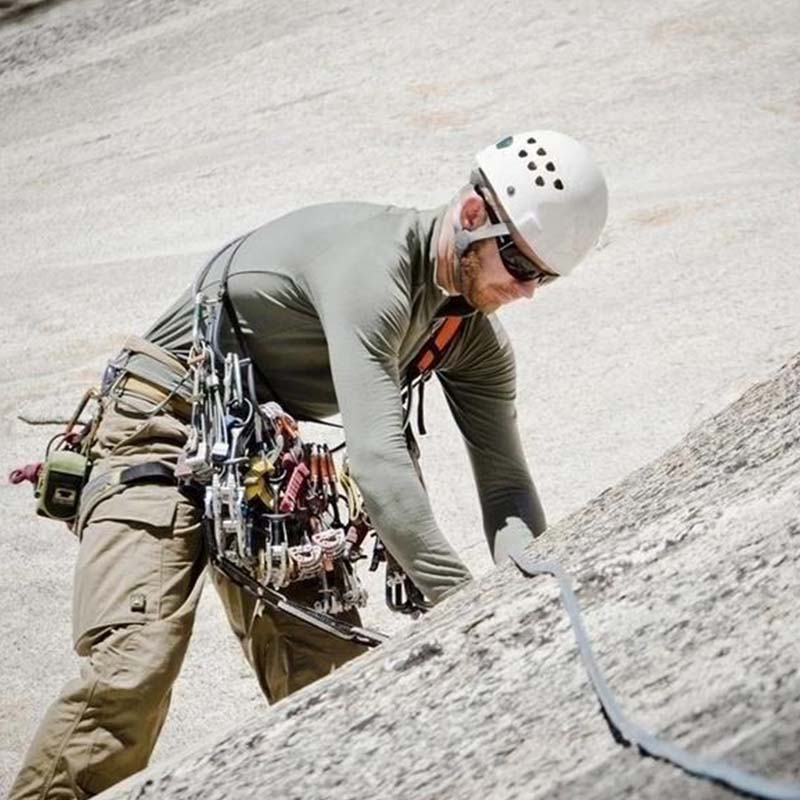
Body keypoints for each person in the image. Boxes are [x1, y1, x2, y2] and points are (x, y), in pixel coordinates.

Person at [10, 129, 608, 799]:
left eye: (545, 277)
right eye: (520, 266)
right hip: (159, 427)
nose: (527, 291)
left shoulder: (469, 340)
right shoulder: (374, 270)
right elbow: (382, 474)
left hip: (256, 456)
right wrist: (469, 615)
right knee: (133, 669)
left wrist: (529, 594)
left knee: (328, 680)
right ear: (473, 216)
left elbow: (505, 485)